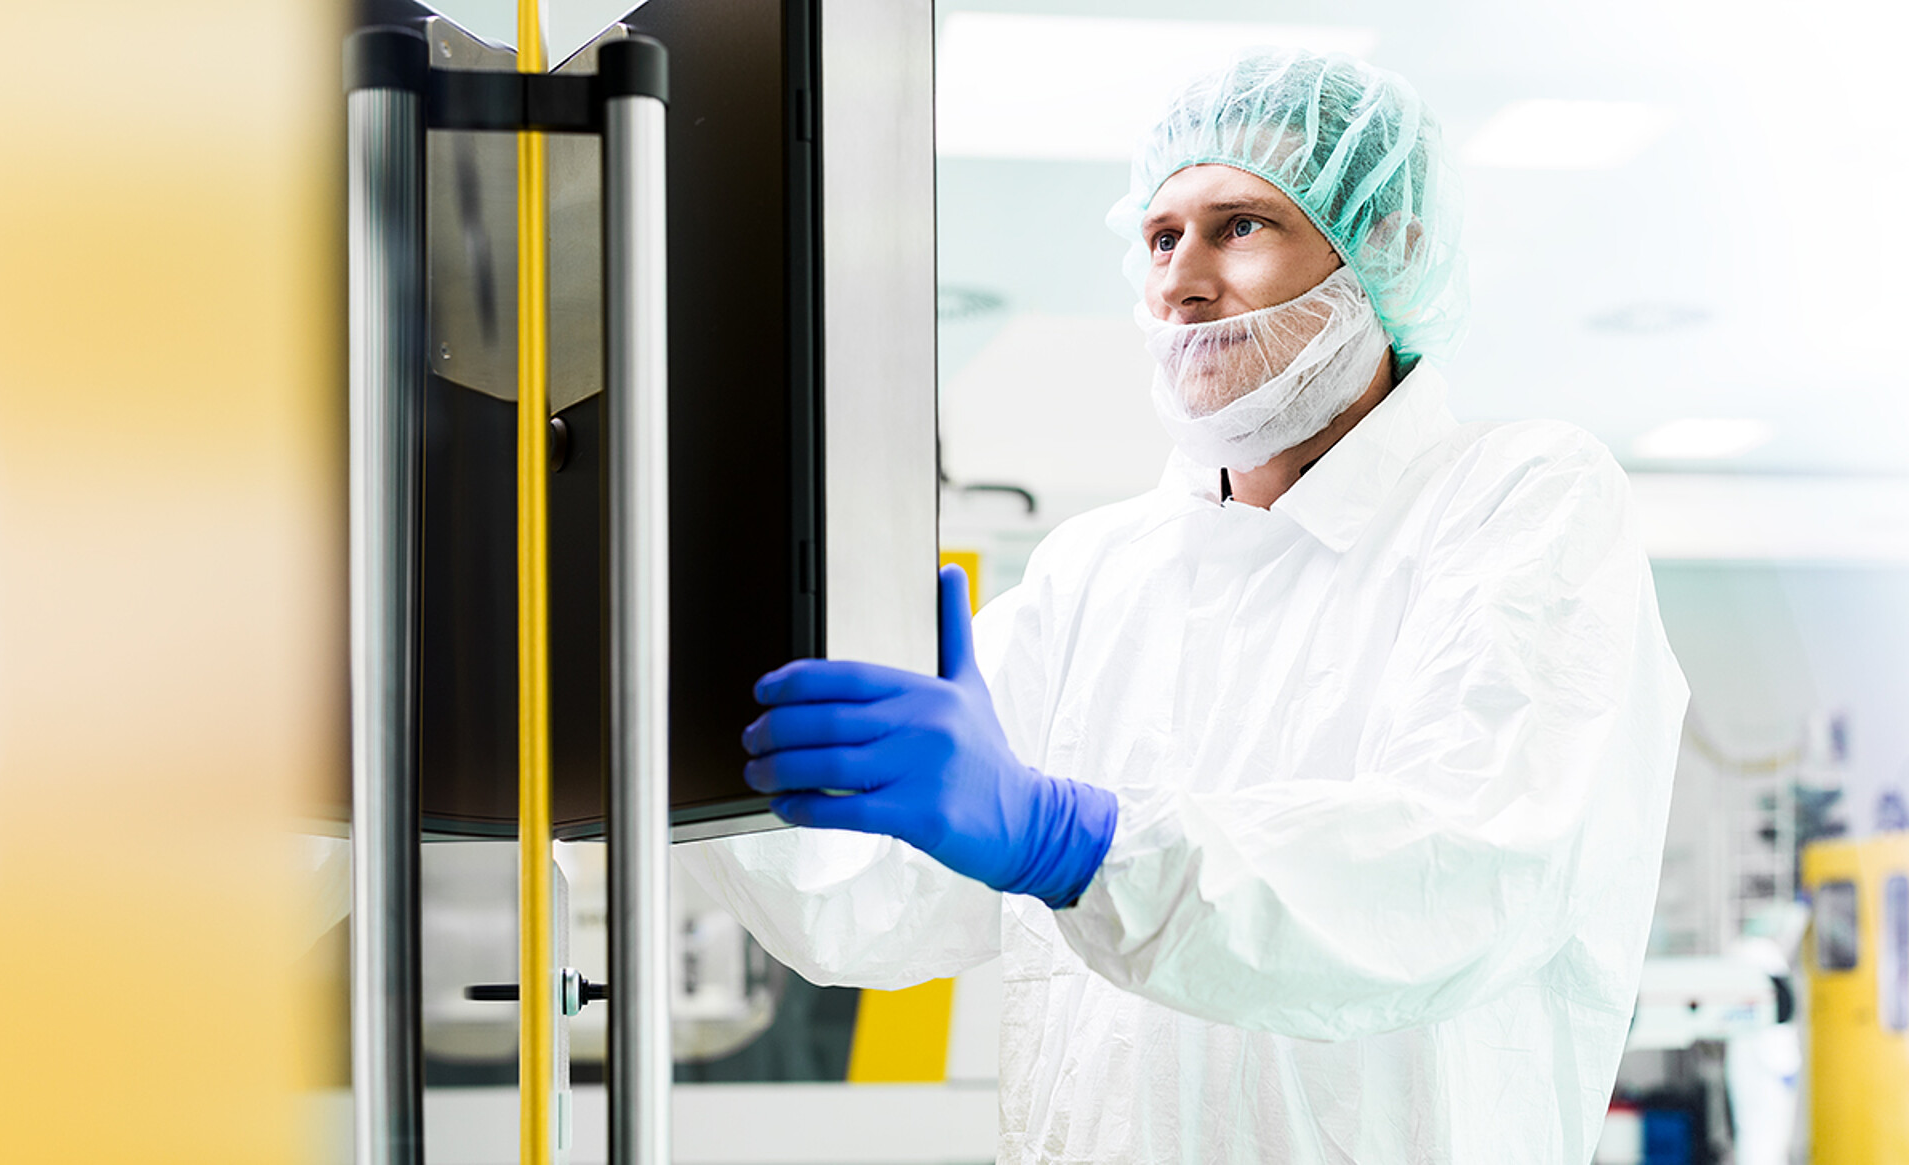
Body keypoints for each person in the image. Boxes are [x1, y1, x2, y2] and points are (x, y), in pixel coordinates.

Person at [680, 47, 1686, 1163]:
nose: (1183, 277)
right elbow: (863, 901)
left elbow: (1449, 875)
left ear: (1384, 247)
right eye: (1161, 237)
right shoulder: (1095, 574)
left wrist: (1071, 843)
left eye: (1239, 226)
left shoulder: (1521, 500)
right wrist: (663, 696)